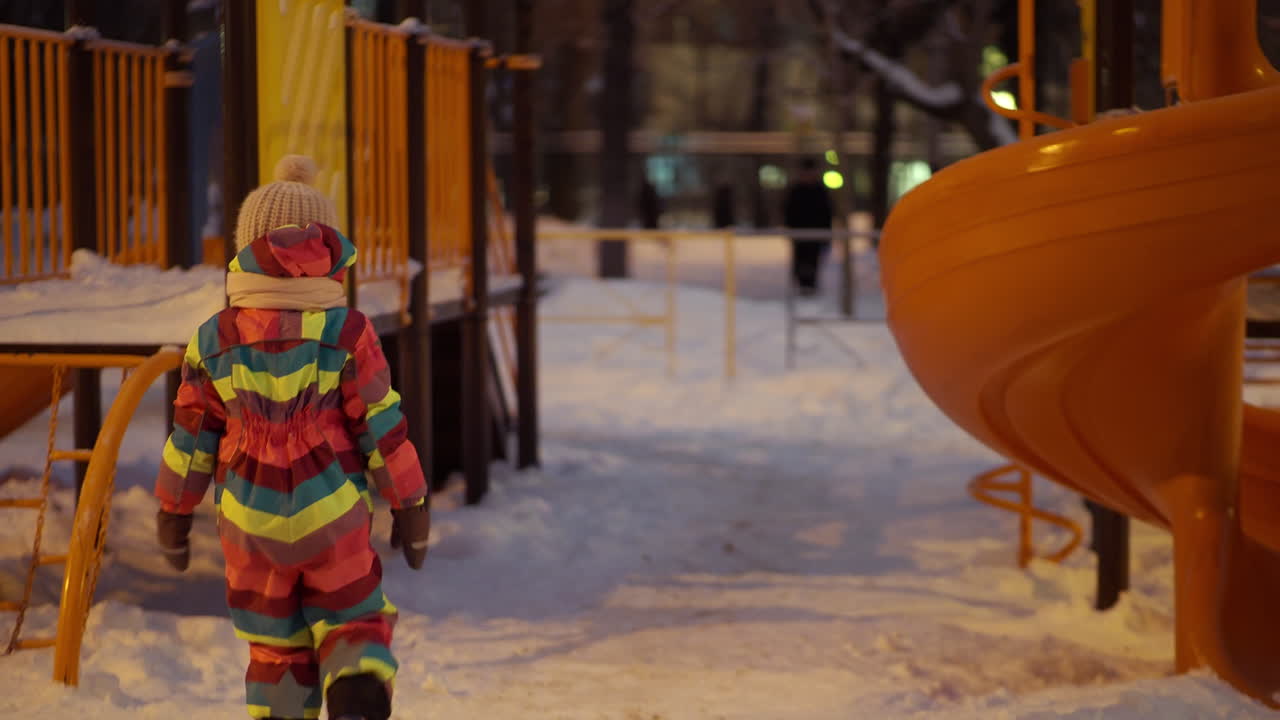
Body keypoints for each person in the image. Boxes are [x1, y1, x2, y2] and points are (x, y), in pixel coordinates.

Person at [153, 155, 431, 720]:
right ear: (324, 246)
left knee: (274, 647)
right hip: (332, 511)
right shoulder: (347, 332)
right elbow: (381, 425)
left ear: (245, 249)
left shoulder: (214, 338)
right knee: (352, 617)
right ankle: (355, 690)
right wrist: (410, 503)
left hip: (249, 520)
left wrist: (173, 510)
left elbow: (191, 435)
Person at [783, 157, 834, 295]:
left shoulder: (820, 191)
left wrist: (826, 234)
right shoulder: (796, 190)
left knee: (813, 260)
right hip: (799, 234)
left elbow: (827, 213)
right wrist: (791, 229)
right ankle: (801, 285)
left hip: (816, 235)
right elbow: (788, 211)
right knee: (800, 260)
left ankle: (810, 286)